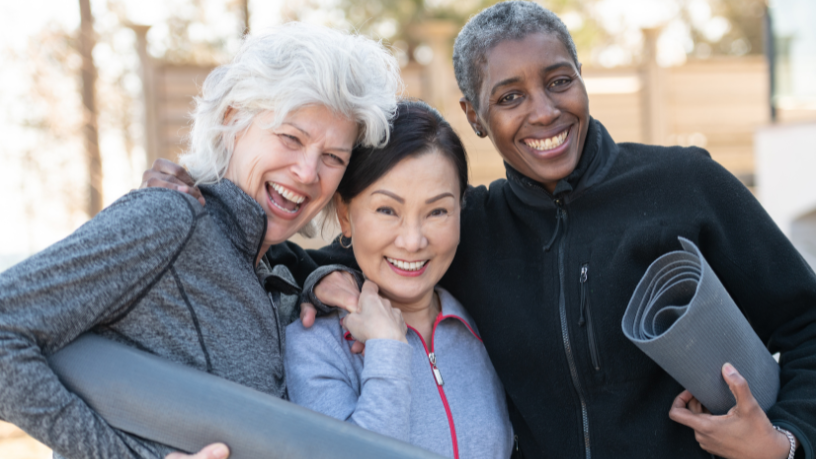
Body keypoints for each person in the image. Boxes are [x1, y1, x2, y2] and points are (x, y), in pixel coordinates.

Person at [144, 2, 816, 458]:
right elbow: (288, 250)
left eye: (561, 81)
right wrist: (202, 205)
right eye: (510, 95)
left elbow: (806, 321)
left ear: (582, 82)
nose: (545, 111)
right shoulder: (465, 227)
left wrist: (785, 439)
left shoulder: (685, 185)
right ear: (474, 115)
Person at [0, 22, 400, 459]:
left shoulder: (272, 271)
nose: (307, 172)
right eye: (290, 138)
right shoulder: (169, 217)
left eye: (332, 157)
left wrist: (314, 278)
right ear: (233, 120)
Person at [284, 100, 514, 459]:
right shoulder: (315, 344)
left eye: (437, 211)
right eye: (387, 210)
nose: (412, 241)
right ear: (345, 215)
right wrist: (387, 347)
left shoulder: (481, 323)